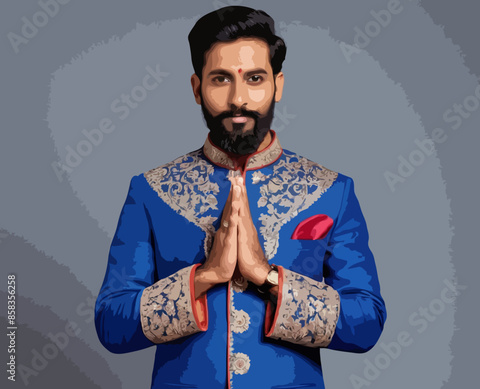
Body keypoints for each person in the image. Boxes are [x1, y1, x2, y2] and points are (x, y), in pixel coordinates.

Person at [95, 6, 387, 389]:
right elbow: (112, 325)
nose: (238, 99)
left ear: (278, 85)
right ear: (197, 88)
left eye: (254, 78)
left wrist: (266, 277)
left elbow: (366, 323)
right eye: (220, 79)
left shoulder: (331, 190)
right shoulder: (151, 190)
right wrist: (204, 277)